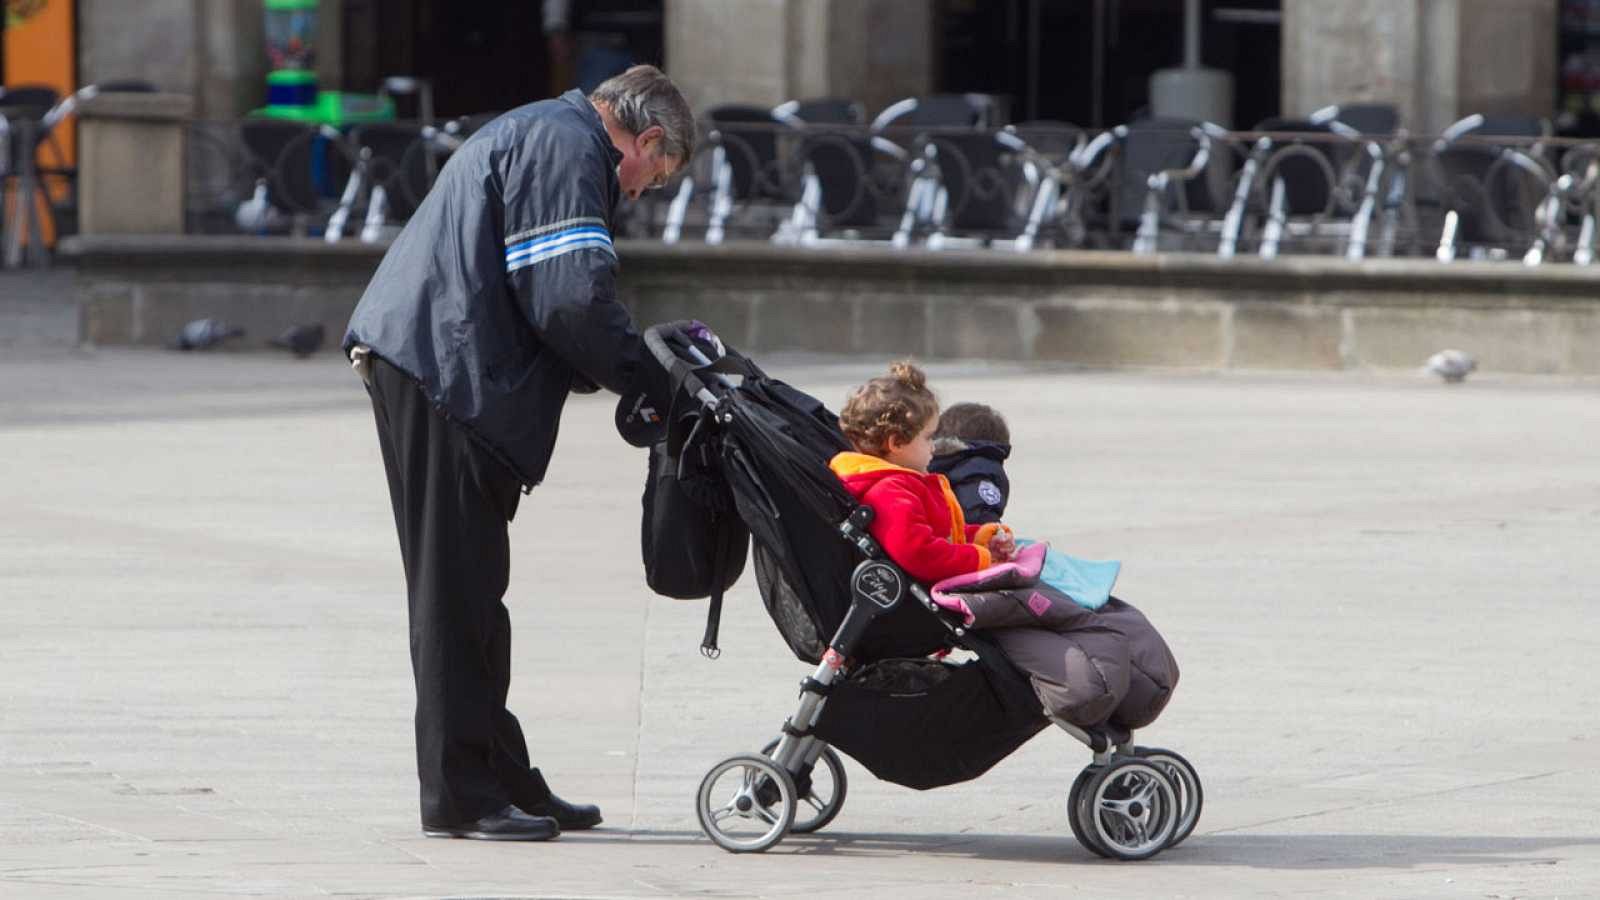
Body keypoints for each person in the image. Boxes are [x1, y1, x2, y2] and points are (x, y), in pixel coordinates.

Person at [343, 65, 695, 841]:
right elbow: (568, 295)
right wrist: (647, 384)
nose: (635, 195)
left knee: (474, 594)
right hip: (445, 372)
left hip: (442, 366)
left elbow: (549, 294)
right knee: (455, 596)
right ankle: (460, 795)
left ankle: (503, 776)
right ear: (646, 139)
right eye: (650, 179)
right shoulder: (570, 149)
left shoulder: (547, 132)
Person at [826, 363, 1016, 587]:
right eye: (928, 438)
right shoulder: (890, 492)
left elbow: (941, 535)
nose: (933, 447)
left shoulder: (901, 483)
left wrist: (982, 539)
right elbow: (920, 553)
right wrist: (979, 558)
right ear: (896, 442)